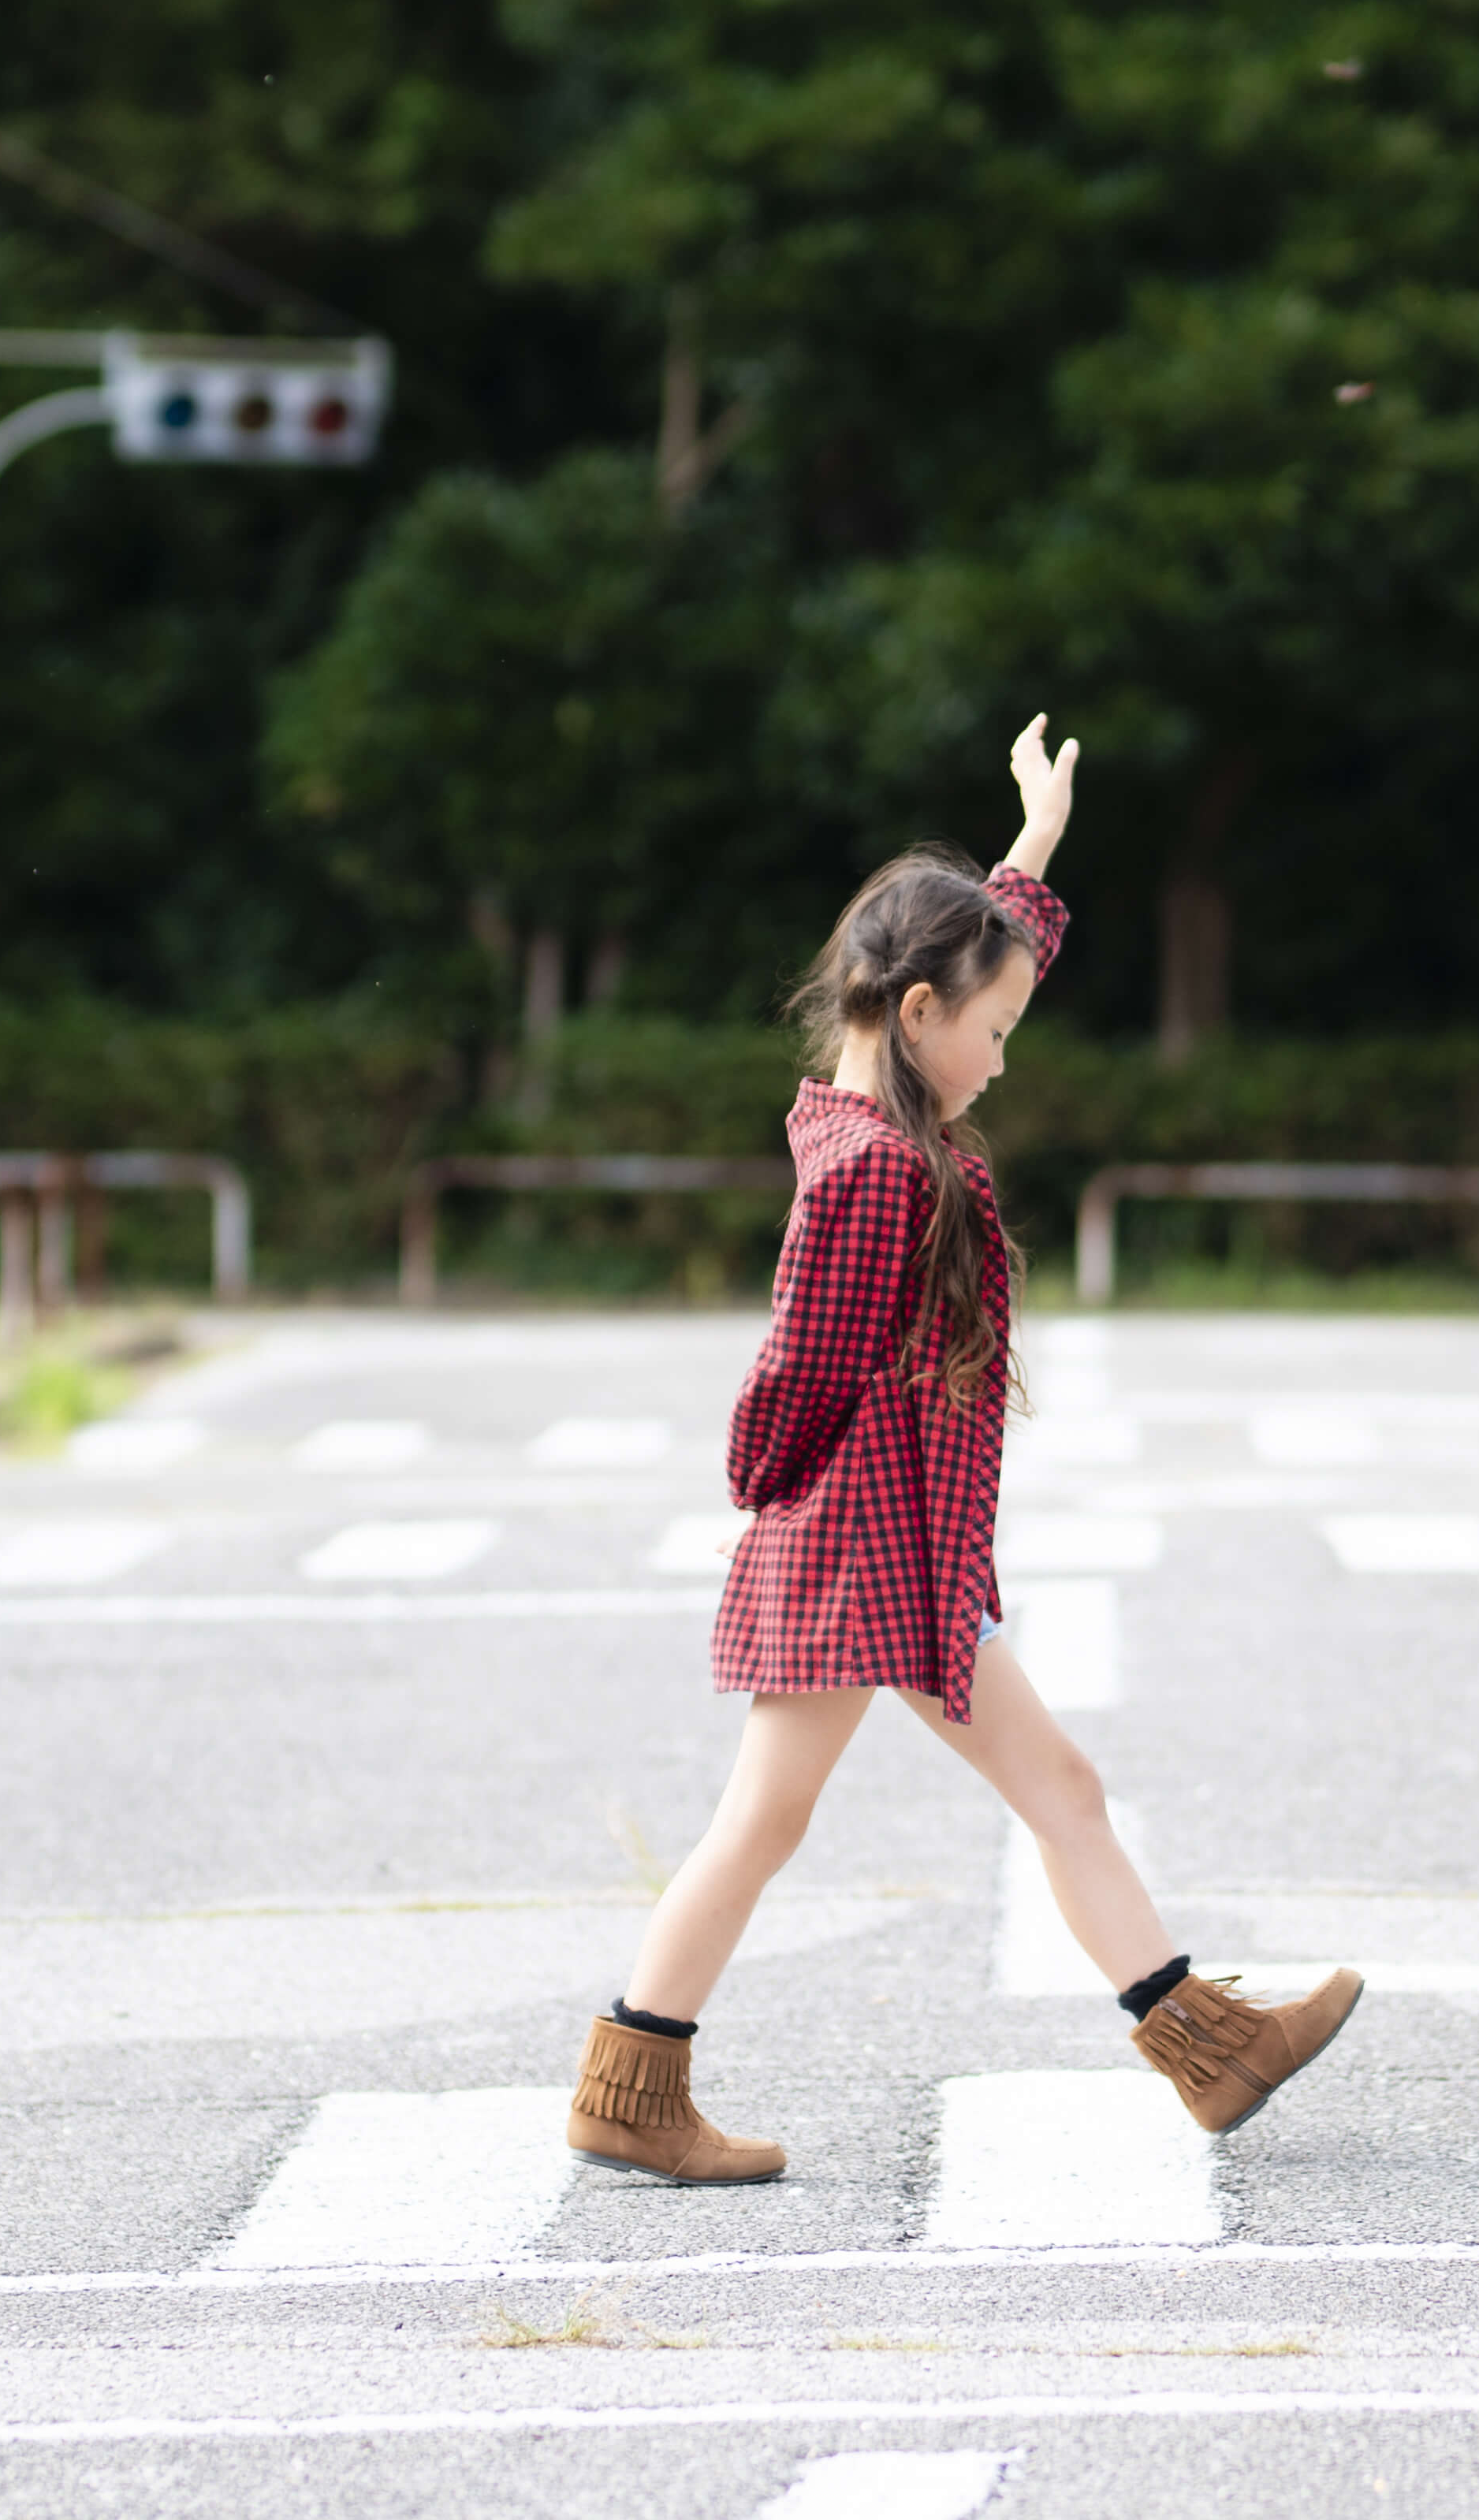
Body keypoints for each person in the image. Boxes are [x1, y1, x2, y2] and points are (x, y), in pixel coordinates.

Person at [563, 715, 1364, 2183]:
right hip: (867, 1551)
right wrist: (759, 1469)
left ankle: (1206, 2048)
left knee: (989, 1794)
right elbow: (801, 1357)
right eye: (993, 1031)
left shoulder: (873, 1111)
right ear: (922, 1010)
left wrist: (1033, 852)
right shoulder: (875, 1172)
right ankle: (631, 2088)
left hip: (890, 1544)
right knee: (801, 1818)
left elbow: (996, 955)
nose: (1002, 1057)